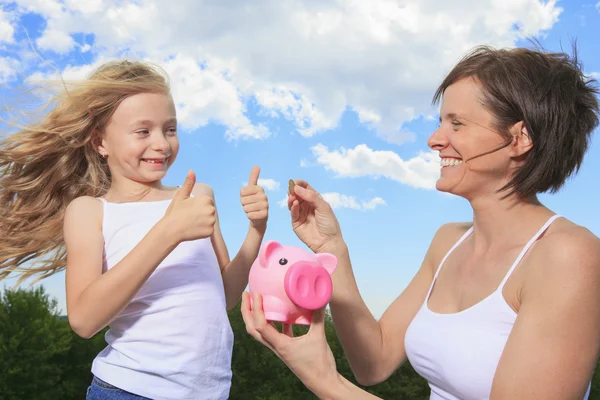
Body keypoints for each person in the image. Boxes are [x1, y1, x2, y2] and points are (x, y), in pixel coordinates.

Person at [242, 45, 600, 399]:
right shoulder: (449, 242)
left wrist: (326, 382)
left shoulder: (569, 257)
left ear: (519, 139)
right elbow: (374, 362)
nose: (434, 140)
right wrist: (330, 248)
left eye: (457, 124)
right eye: (440, 122)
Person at [0, 60, 269, 399]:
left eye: (169, 129)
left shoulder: (199, 196)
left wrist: (256, 230)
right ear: (101, 142)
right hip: (127, 391)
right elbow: (84, 321)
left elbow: (224, 296)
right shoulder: (90, 212)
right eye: (143, 131)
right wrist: (167, 232)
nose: (161, 143)